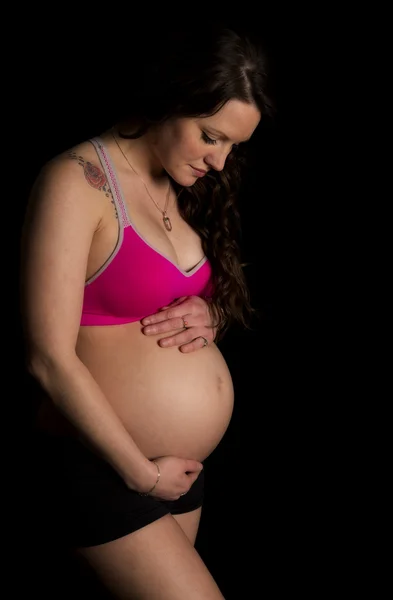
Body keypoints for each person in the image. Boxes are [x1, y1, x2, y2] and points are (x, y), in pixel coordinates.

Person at [20, 23, 274, 599]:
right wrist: (141, 472)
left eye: (234, 146)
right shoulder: (75, 183)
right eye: (211, 137)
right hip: (103, 464)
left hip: (175, 470)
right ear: (173, 97)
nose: (221, 161)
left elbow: (168, 298)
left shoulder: (185, 187)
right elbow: (47, 358)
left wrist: (209, 316)